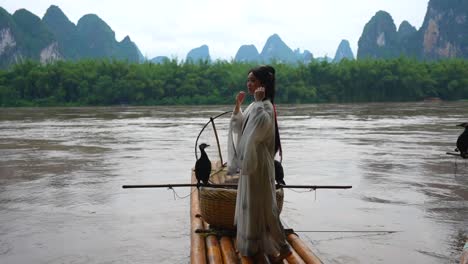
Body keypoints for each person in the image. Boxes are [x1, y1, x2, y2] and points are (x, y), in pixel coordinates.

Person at [227, 65, 292, 262]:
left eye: (253, 81)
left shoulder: (266, 106)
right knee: (250, 204)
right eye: (248, 80)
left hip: (260, 164)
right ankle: (253, 244)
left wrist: (256, 102)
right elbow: (240, 127)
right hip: (251, 163)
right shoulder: (255, 105)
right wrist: (238, 107)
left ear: (262, 84)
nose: (249, 84)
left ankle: (283, 246)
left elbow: (259, 130)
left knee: (264, 205)